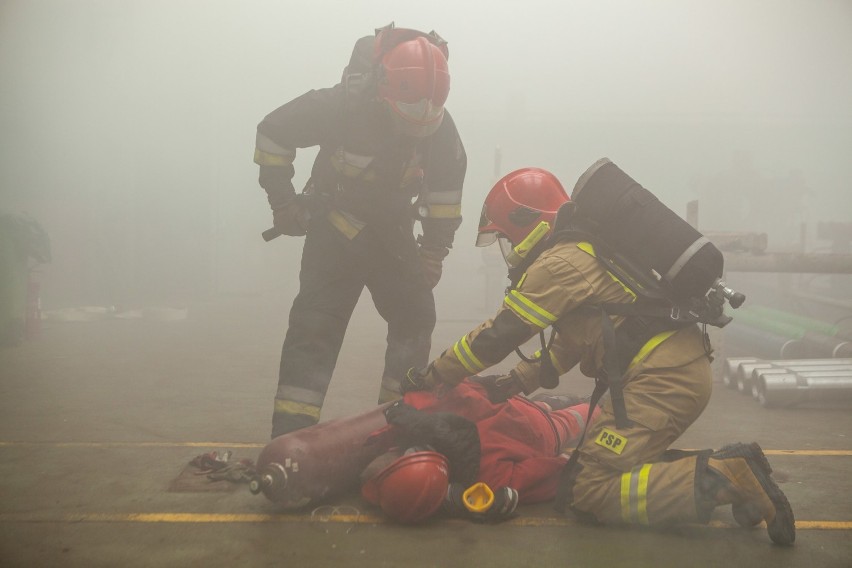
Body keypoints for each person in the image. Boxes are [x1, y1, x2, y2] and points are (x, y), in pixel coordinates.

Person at [398, 166, 795, 545]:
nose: (508, 249)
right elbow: (569, 346)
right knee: (587, 468)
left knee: (587, 492)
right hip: (672, 373)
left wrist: (436, 374)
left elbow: (500, 334)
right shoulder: (583, 252)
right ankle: (731, 469)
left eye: (505, 237)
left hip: (661, 382)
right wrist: (513, 383)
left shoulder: (560, 262)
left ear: (527, 222)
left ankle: (725, 477)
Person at [253, 23, 467, 438]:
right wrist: (283, 203)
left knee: (415, 318)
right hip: (333, 232)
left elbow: (445, 195)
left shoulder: (441, 126)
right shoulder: (340, 105)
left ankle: (398, 426)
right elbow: (272, 134)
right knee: (315, 328)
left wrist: (434, 253)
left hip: (392, 235)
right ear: (383, 88)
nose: (418, 125)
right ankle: (290, 439)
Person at [360, 378, 600, 524]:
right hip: (516, 406)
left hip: (541, 432)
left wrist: (573, 460)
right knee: (554, 411)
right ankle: (553, 402)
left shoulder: (490, 478)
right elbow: (462, 380)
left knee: (586, 417)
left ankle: (595, 407)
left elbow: (552, 473)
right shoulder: (419, 402)